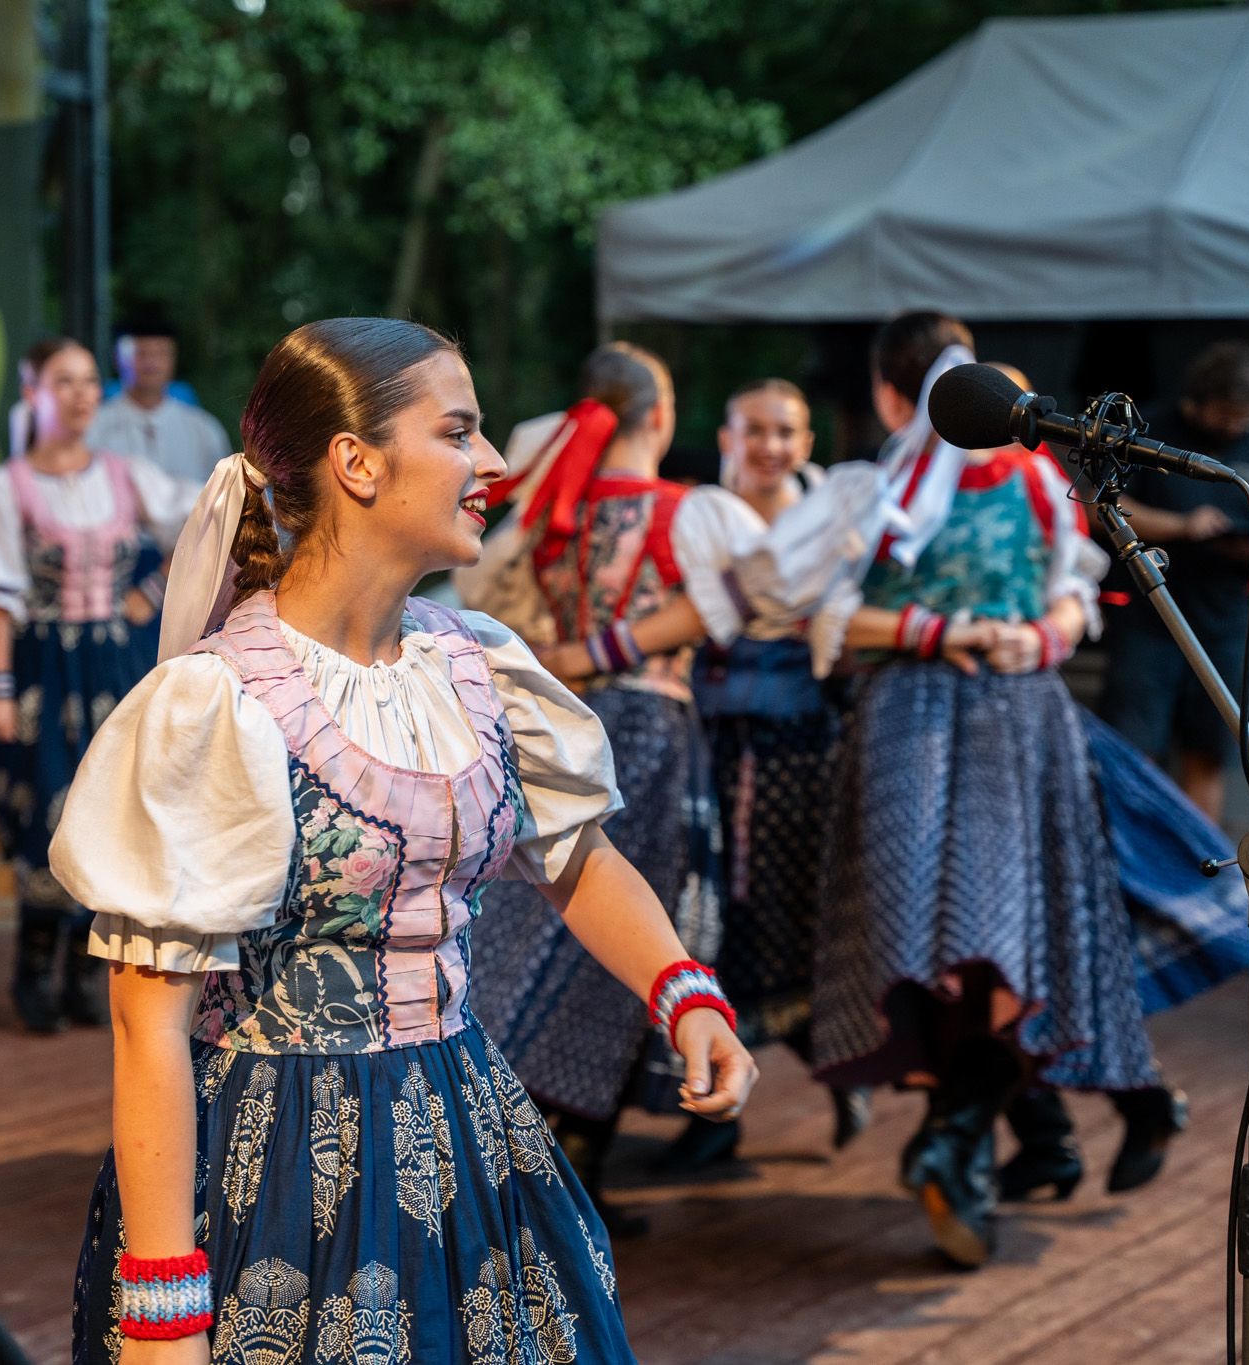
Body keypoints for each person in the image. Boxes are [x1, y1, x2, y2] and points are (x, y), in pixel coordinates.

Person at [52, 317, 753, 1363]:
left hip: (460, 1118)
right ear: (357, 463)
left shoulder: (474, 663)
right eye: (459, 432)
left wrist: (681, 992)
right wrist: (164, 1313)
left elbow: (574, 856)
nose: (495, 462)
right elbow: (146, 1019)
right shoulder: (219, 702)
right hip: (278, 1151)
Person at [787, 312, 1166, 1268]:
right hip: (956, 721)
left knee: (986, 947)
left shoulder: (951, 484)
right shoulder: (905, 487)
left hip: (978, 725)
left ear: (888, 392)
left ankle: (963, 1142)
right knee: (959, 948)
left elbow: (1071, 599)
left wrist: (1032, 637)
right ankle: (976, 1143)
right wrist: (953, 633)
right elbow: (825, 615)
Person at [535, 378, 867, 1173]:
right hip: (699, 743)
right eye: (756, 430)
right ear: (725, 435)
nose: (770, 446)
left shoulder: (834, 519)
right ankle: (708, 1109)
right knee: (706, 920)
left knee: (788, 919)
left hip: (795, 747)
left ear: (806, 442)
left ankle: (833, 1066)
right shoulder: (697, 515)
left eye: (785, 431)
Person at [463, 342, 726, 1235]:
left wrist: (572, 655)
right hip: (649, 728)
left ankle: (526, 1144)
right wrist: (610, 647)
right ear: (661, 414)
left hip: (560, 721)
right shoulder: (685, 511)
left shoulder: (553, 514)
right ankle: (565, 1166)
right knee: (626, 930)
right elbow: (732, 603)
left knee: (536, 927)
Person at [0, 337, 195, 1034]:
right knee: (47, 808)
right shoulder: (8, 487)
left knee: (113, 812)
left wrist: (150, 591)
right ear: (33, 393)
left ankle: (86, 971)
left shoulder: (124, 475)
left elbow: (206, 519)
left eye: (89, 381)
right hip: (43, 668)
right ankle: (32, 965)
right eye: (65, 381)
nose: (82, 394)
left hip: (113, 666)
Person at [1097, 341, 1249, 823]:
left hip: (1225, 624)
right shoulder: (1149, 429)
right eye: (1228, 415)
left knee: (1211, 751)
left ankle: (1195, 862)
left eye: (1246, 416)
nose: (1237, 426)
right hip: (1148, 619)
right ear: (1201, 400)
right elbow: (1102, 507)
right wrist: (1183, 527)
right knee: (1133, 751)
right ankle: (1137, 860)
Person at [83, 316, 232, 485]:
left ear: (173, 358)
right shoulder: (92, 429)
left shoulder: (204, 431)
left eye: (161, 353)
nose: (151, 363)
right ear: (118, 358)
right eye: (141, 353)